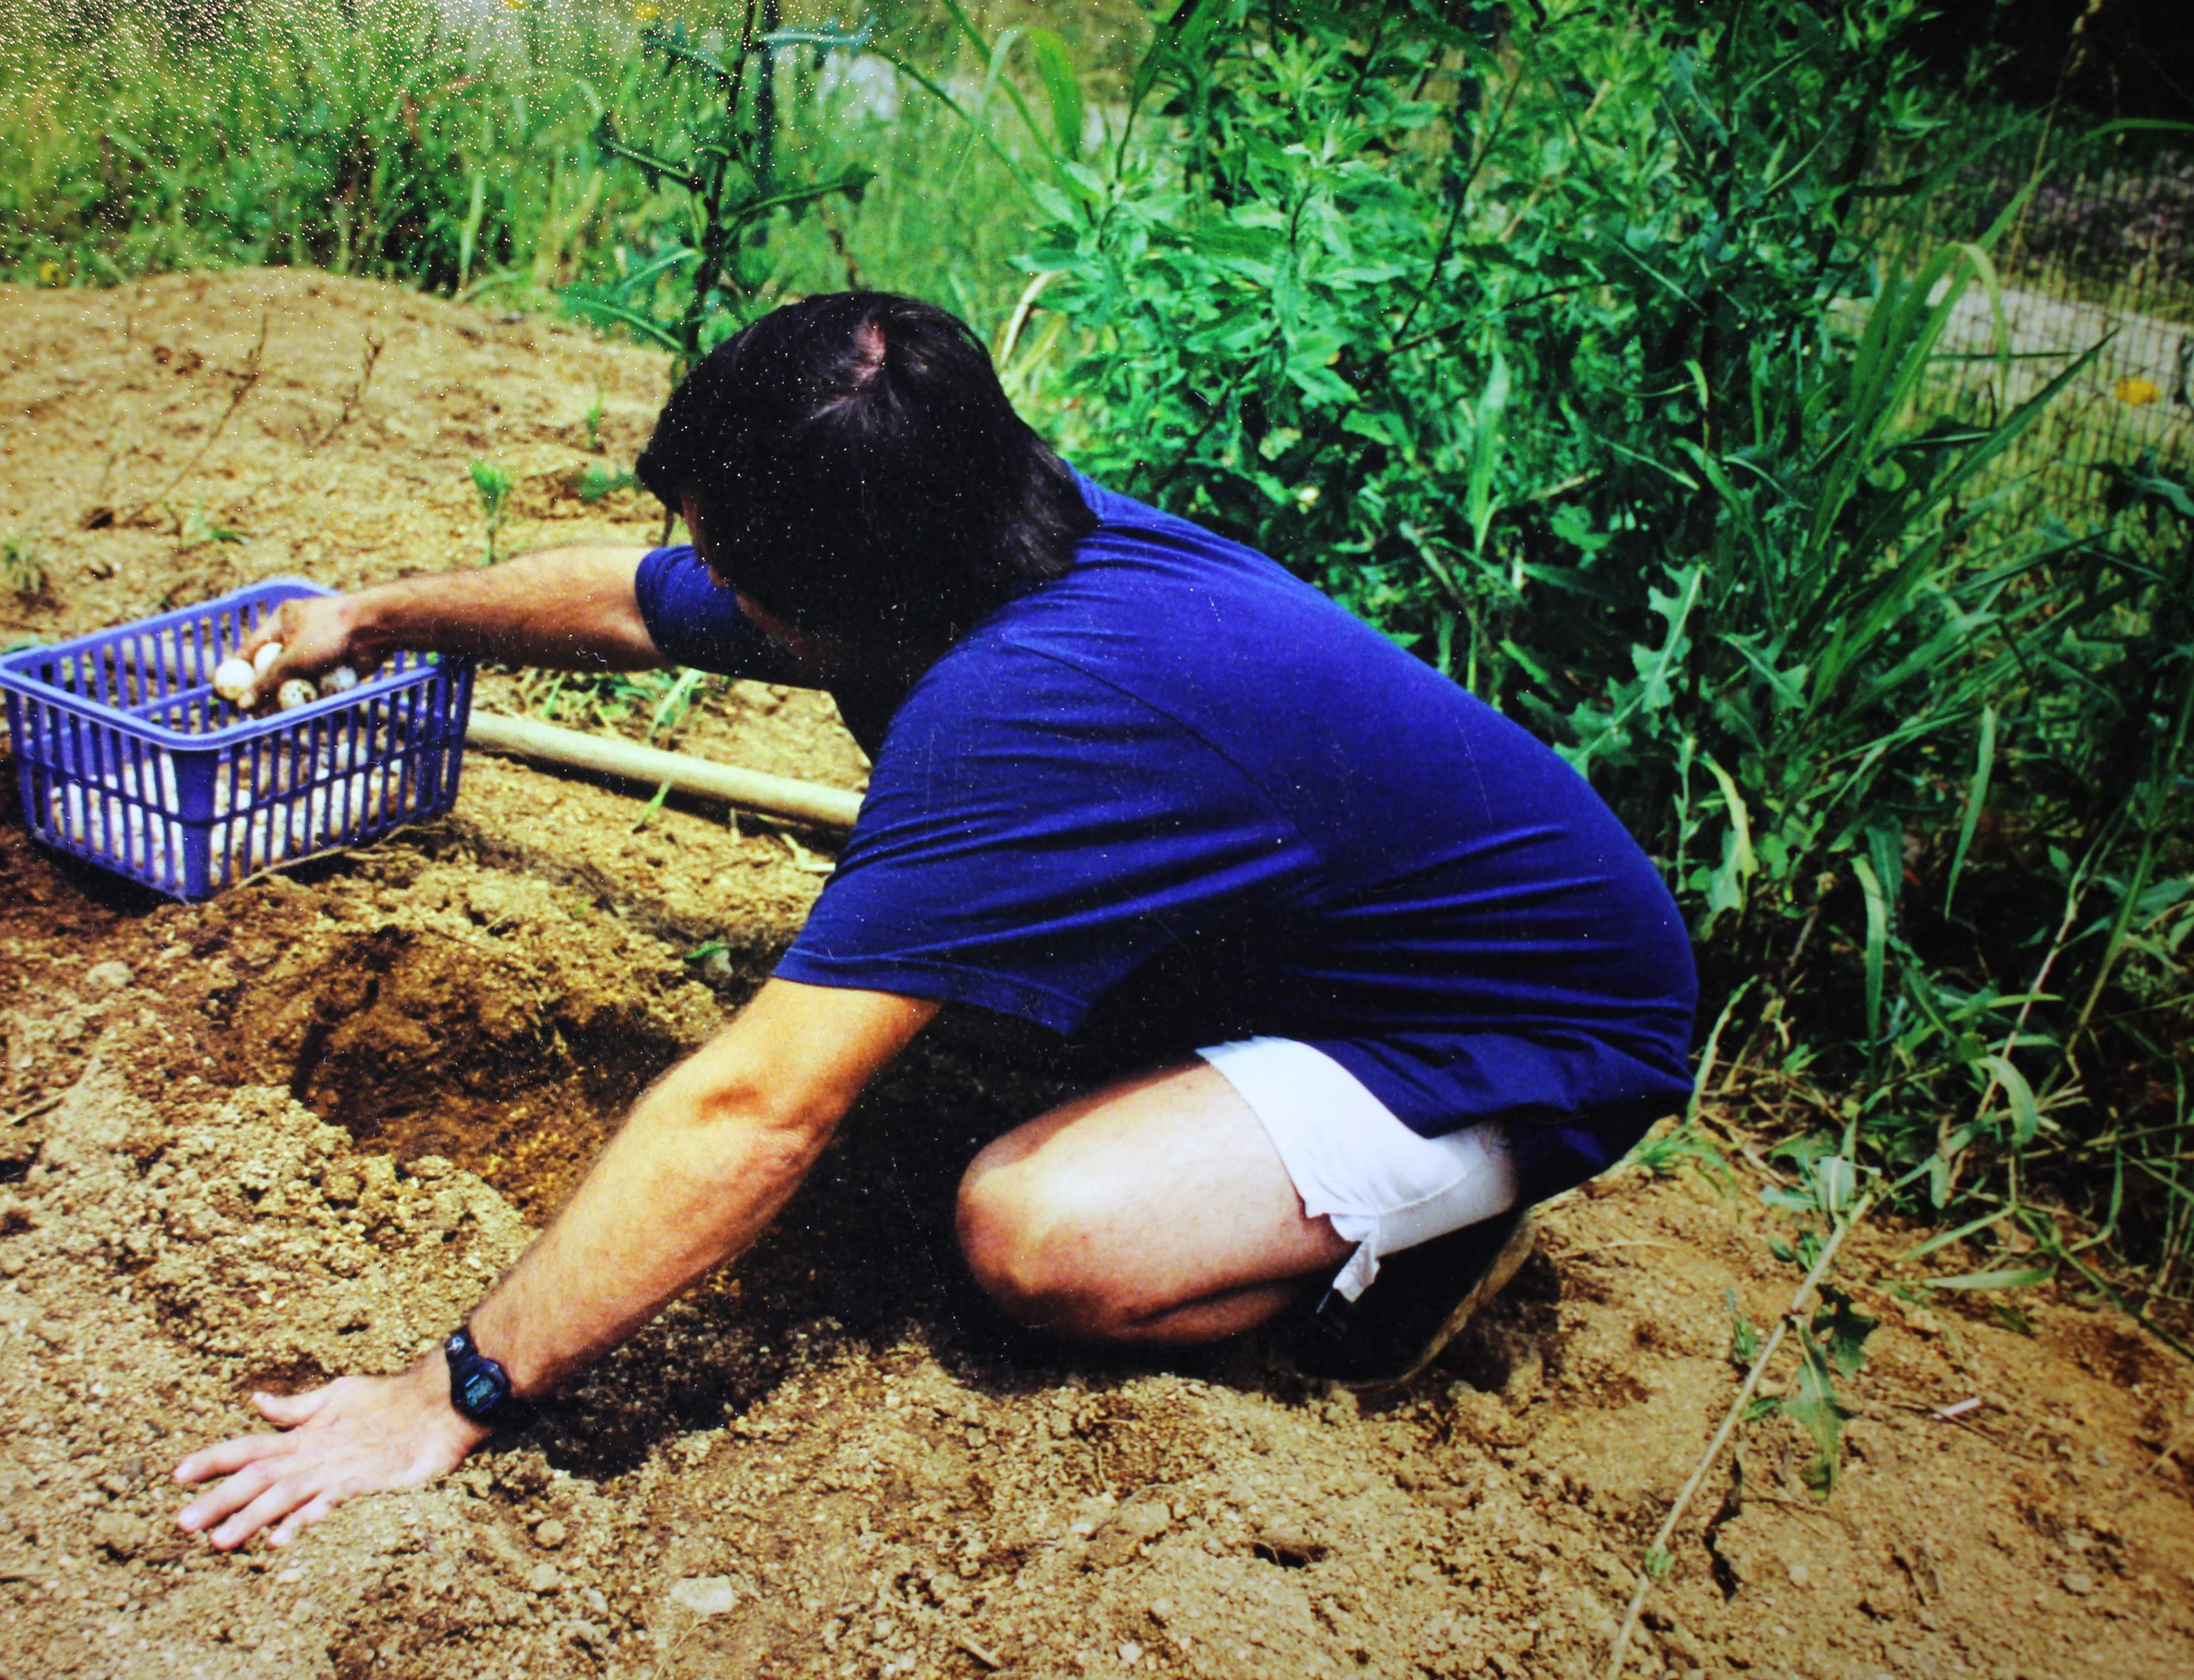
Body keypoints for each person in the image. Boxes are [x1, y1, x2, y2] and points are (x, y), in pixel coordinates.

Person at [171, 293, 1697, 1550]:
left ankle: (1411, 1247)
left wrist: (451, 1394)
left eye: (731, 565)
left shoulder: (1026, 716)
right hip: (1365, 931)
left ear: (834, 594)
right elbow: (630, 606)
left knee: (1039, 1230)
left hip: (1528, 1033)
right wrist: (366, 616)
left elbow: (761, 1105)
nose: (705, 581)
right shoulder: (964, 531)